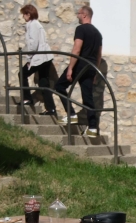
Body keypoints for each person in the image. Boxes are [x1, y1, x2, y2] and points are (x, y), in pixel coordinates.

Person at [55, 5, 102, 138]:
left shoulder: (81, 29)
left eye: (79, 13)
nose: (77, 15)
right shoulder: (98, 33)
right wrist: (95, 71)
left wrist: (70, 68)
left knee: (59, 86)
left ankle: (71, 114)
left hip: (80, 64)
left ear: (85, 15)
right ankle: (92, 127)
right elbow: (99, 55)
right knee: (88, 97)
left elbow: (76, 49)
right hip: (91, 67)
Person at [18, 4, 56, 116]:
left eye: (24, 14)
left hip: (40, 57)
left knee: (22, 74)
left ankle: (27, 99)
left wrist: (29, 59)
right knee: (43, 82)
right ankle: (51, 109)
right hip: (45, 58)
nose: (23, 16)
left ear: (28, 14)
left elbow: (33, 44)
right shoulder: (36, 24)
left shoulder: (33, 25)